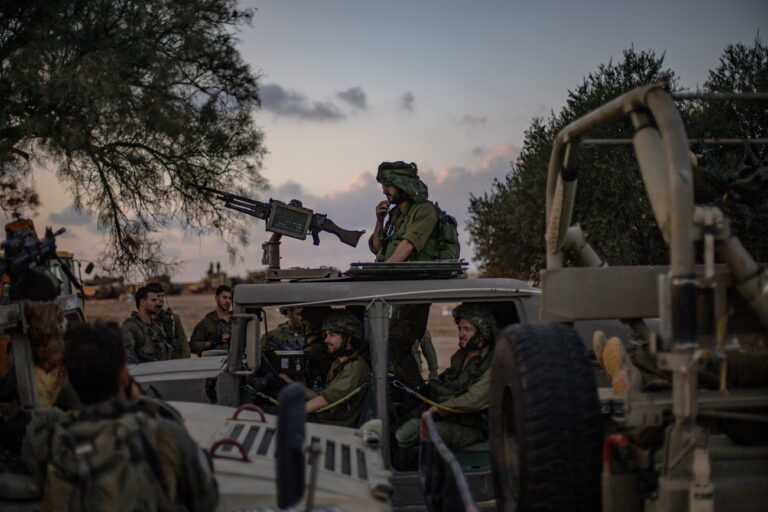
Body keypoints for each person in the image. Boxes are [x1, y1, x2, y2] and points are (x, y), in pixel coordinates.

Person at [22, 321, 219, 511]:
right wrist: (141, 402)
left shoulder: (47, 440)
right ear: (124, 375)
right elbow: (206, 499)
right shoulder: (162, 434)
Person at [396, 303, 497, 451]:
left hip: (474, 427)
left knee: (422, 433)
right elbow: (445, 383)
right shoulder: (461, 358)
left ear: (482, 334)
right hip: (450, 418)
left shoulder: (493, 363)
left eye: (466, 329)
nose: (460, 334)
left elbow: (474, 398)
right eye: (460, 328)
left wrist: (436, 410)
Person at [282, 310, 371, 428]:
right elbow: (322, 395)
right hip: (326, 419)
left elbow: (326, 399)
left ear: (348, 338)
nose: (326, 340)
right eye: (326, 335)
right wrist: (290, 382)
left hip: (334, 425)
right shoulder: (339, 362)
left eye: (332, 335)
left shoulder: (355, 368)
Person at [368, 161, 442, 263]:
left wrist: (383, 271)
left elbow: (407, 245)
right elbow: (378, 249)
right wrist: (380, 221)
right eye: (383, 186)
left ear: (402, 185)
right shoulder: (395, 214)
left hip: (415, 277)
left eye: (388, 186)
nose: (384, 191)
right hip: (395, 276)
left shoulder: (424, 211)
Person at [122, 285, 174, 363]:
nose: (158, 304)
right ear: (143, 302)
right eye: (153, 300)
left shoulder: (156, 326)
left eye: (157, 300)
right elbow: (128, 359)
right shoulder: (131, 327)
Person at [146, 282, 190, 359]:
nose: (160, 299)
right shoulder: (143, 320)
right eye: (157, 296)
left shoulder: (173, 319)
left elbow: (185, 349)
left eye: (162, 296)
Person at [190, 285, 232, 356]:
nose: (227, 301)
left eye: (230, 298)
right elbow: (192, 346)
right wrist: (212, 342)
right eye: (224, 297)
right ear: (216, 298)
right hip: (213, 363)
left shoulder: (237, 321)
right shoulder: (207, 323)